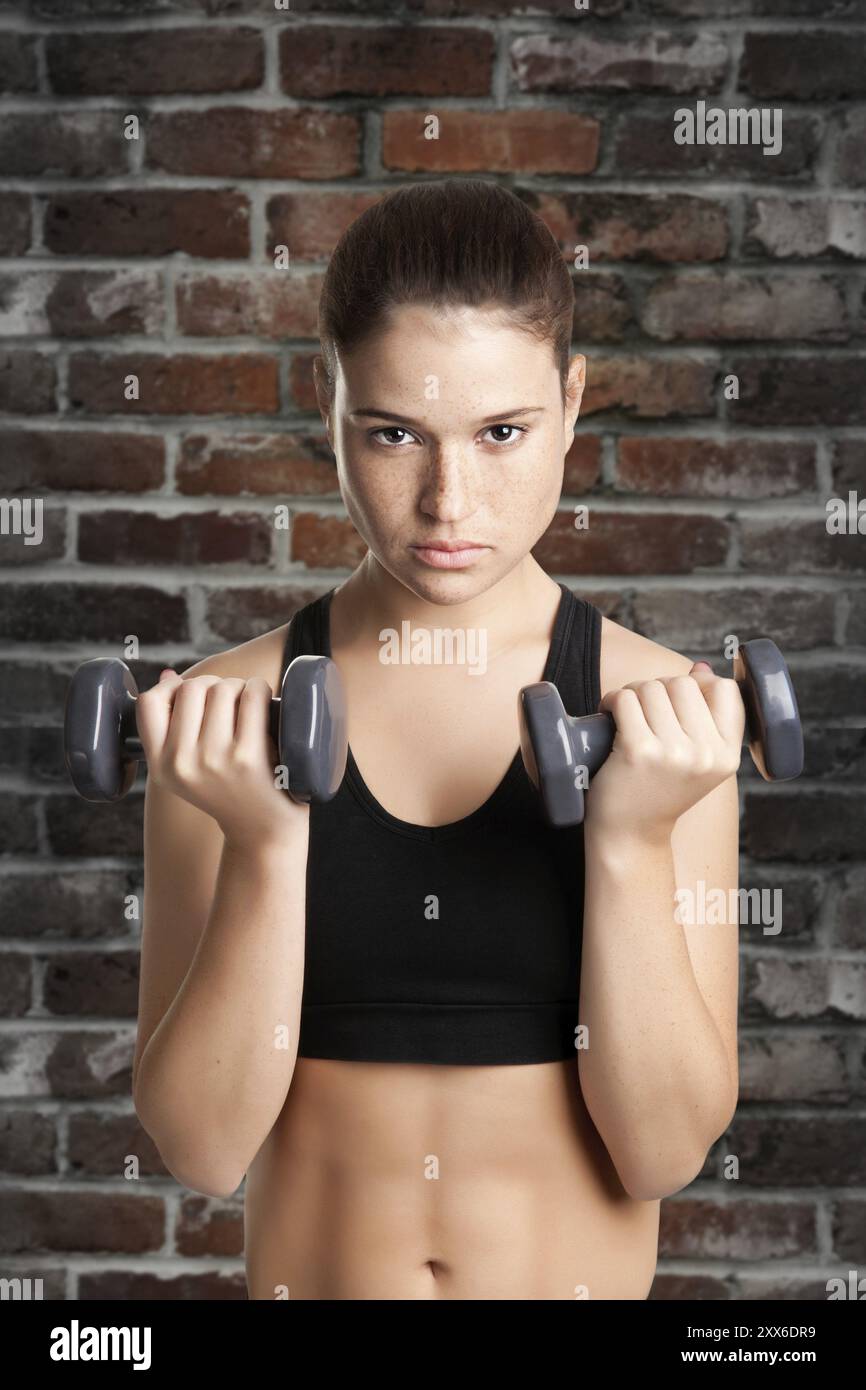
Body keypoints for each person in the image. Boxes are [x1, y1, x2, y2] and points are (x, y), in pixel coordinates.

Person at [132, 180, 742, 1301]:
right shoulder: (220, 722)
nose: (447, 501)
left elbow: (661, 1153)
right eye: (395, 434)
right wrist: (265, 848)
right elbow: (203, 1150)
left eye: (501, 432)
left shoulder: (665, 720)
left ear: (571, 402)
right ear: (328, 401)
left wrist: (631, 843)